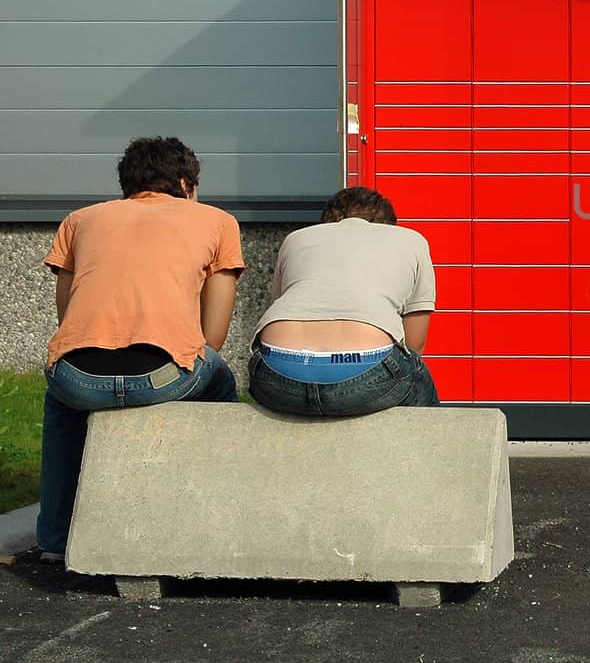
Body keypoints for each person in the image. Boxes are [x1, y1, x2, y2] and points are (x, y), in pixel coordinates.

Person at [36, 136, 244, 560]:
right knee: (219, 377)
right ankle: (213, 517)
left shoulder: (80, 220)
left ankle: (56, 541)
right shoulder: (217, 221)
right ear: (186, 184)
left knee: (60, 403)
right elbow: (214, 336)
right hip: (161, 378)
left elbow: (69, 318)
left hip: (78, 379)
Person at [247, 186, 439, 415]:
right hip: (367, 370)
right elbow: (414, 346)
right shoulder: (412, 240)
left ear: (328, 221)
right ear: (387, 224)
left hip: (276, 372)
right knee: (417, 374)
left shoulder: (296, 238)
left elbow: (278, 303)